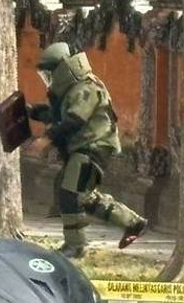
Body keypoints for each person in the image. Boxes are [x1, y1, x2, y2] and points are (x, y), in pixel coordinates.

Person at [28, 42, 148, 258]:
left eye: (51, 74)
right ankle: (133, 223)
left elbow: (73, 120)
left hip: (93, 148)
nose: (49, 80)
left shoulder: (87, 88)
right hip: (84, 148)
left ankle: (76, 246)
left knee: (70, 193)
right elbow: (59, 116)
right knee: (82, 196)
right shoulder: (74, 90)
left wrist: (46, 139)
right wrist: (32, 112)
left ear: (63, 69)